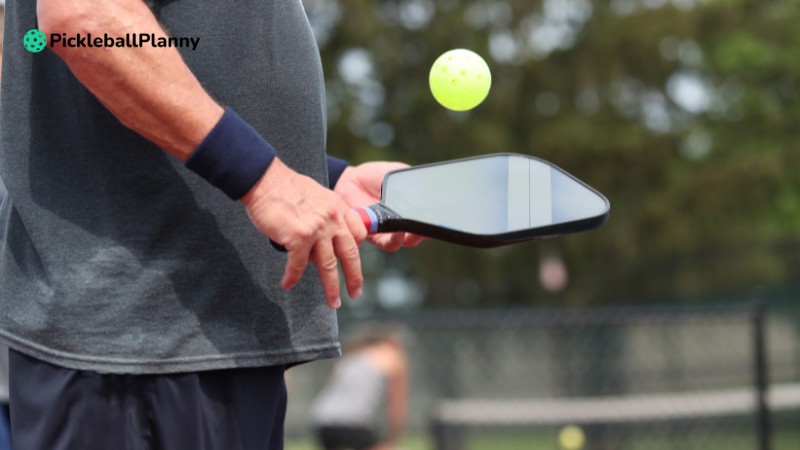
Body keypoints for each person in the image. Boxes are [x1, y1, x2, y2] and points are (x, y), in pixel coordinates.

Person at [0, 1, 421, 449]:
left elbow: (205, 68)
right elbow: (86, 17)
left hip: (204, 334)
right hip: (139, 343)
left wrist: (323, 179)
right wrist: (263, 180)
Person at [311, 326, 409, 450]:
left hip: (323, 420)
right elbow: (396, 403)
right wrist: (394, 437)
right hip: (353, 421)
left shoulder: (353, 354)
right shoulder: (392, 356)